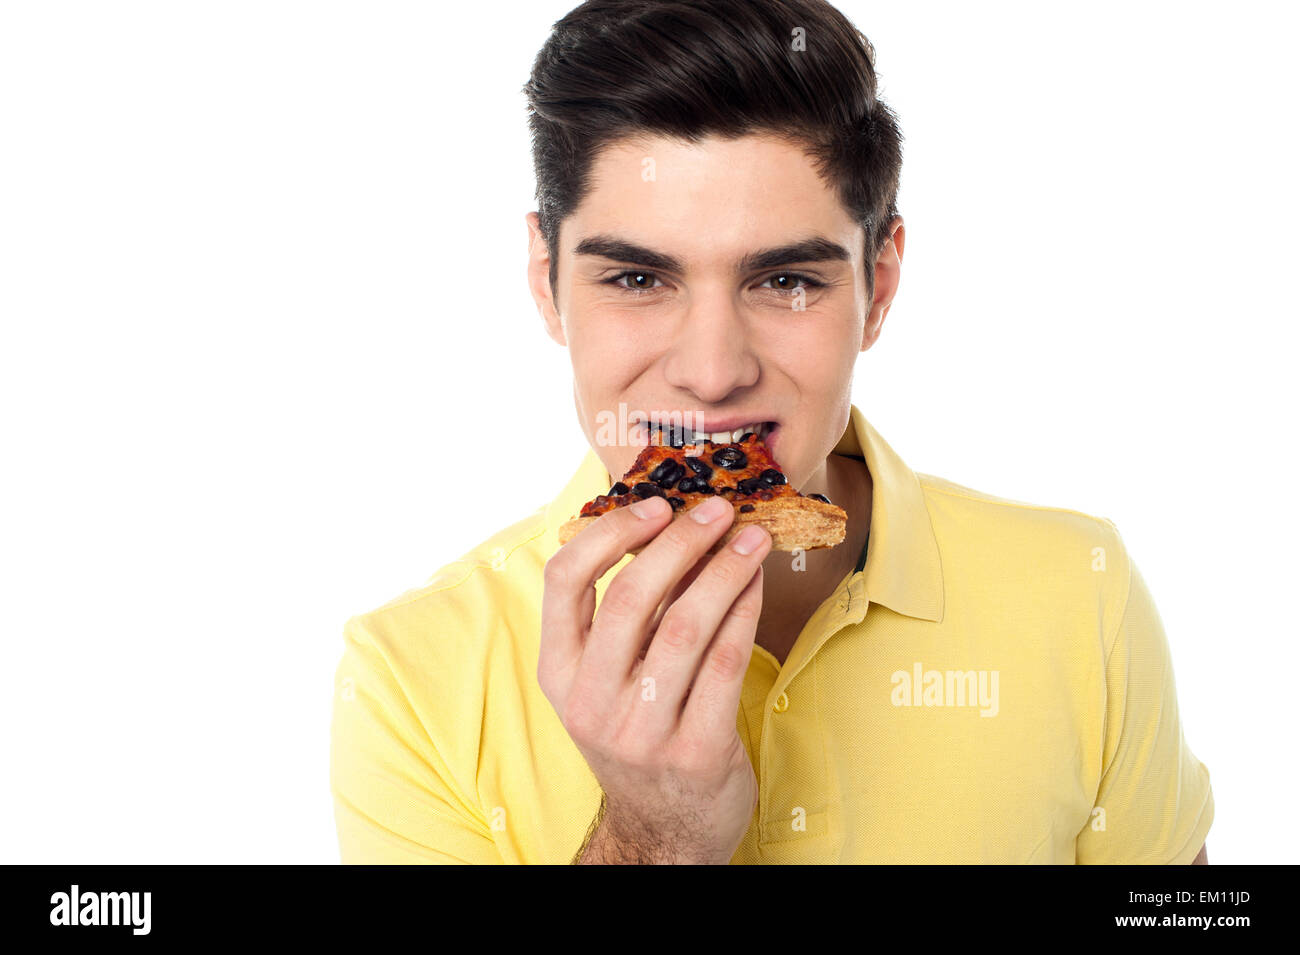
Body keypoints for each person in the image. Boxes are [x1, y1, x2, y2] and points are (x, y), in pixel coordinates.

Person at [329, 0, 1213, 864]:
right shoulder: (411, 679)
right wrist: (653, 838)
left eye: (786, 279)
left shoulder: (1080, 592)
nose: (713, 371)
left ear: (882, 285)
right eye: (637, 279)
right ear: (544, 280)